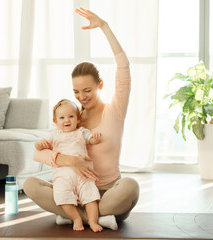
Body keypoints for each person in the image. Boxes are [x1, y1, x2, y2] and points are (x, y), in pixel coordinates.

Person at [24, 7, 139, 227]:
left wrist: (104, 27)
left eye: (87, 90)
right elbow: (39, 154)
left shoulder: (114, 110)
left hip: (108, 194)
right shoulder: (71, 118)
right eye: (76, 92)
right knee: (30, 184)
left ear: (100, 85)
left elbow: (124, 67)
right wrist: (69, 161)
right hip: (74, 192)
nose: (81, 97)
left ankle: (75, 216)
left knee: (131, 187)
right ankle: (93, 218)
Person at [35, 98, 106, 232]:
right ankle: (76, 218)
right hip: (62, 175)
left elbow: (91, 139)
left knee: (92, 197)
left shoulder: (82, 132)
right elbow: (40, 146)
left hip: (84, 174)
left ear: (78, 119)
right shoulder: (54, 135)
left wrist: (95, 138)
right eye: (62, 117)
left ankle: (92, 221)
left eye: (71, 116)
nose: (67, 120)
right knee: (61, 197)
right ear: (56, 122)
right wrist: (39, 144)